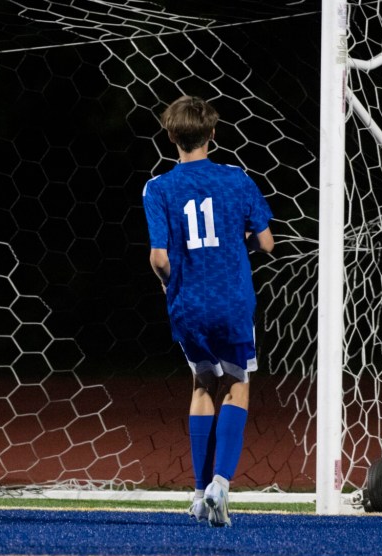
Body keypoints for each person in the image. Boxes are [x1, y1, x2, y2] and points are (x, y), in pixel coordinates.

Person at [142, 95, 274, 527]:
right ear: (213, 134)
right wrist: (240, 242)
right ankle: (220, 484)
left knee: (202, 385)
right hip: (232, 300)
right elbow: (267, 242)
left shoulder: (158, 187)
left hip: (189, 304)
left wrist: (170, 284)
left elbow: (158, 258)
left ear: (170, 136)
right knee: (237, 382)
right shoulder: (236, 178)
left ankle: (199, 496)